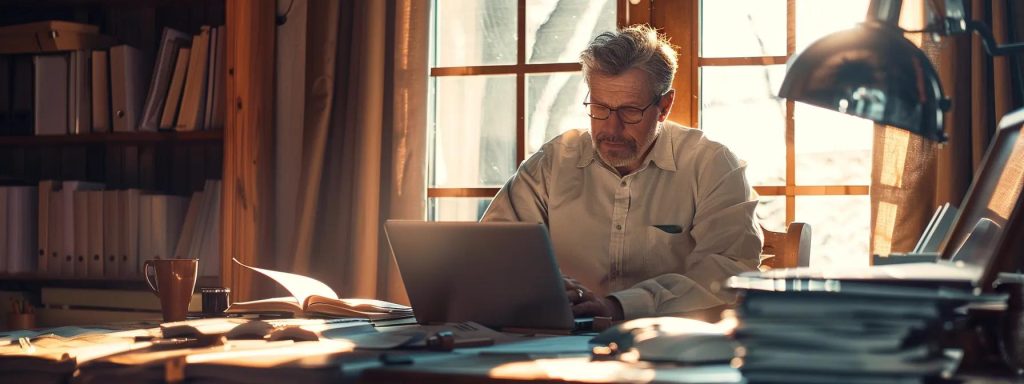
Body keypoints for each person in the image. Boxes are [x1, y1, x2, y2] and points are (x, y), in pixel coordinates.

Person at [480, 25, 763, 320]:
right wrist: (535, 284)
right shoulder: (553, 161)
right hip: (556, 335)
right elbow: (490, 251)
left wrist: (619, 306)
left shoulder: (712, 164)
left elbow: (729, 271)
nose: (611, 129)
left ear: (664, 106)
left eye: (629, 111)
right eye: (599, 108)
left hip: (668, 345)